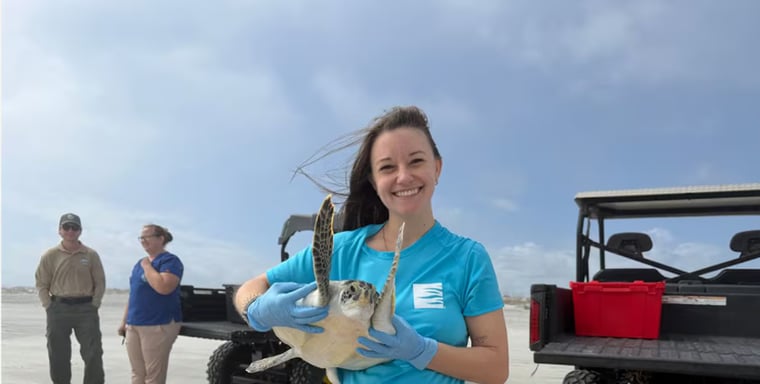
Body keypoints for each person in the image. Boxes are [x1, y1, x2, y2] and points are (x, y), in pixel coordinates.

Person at [234, 106, 509, 383]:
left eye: (416, 161)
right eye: (387, 167)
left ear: (436, 167)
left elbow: (496, 368)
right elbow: (250, 288)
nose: (403, 177)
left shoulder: (467, 258)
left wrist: (423, 351)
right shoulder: (342, 250)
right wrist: (256, 309)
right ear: (374, 181)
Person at [35, 213, 106, 384]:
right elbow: (41, 283)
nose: (70, 231)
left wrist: (94, 304)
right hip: (58, 309)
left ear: (80, 231)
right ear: (60, 231)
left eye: (74, 227)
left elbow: (100, 282)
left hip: (86, 310)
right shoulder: (49, 255)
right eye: (66, 227)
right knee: (58, 354)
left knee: (93, 353)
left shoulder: (90, 255)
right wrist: (48, 306)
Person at [118, 224, 184, 384]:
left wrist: (147, 267)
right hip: (134, 324)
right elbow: (134, 295)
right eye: (141, 238)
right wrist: (124, 322)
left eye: (147, 237)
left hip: (158, 324)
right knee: (137, 373)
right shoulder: (138, 264)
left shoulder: (170, 261)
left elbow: (164, 287)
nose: (143, 241)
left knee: (153, 376)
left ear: (160, 239)